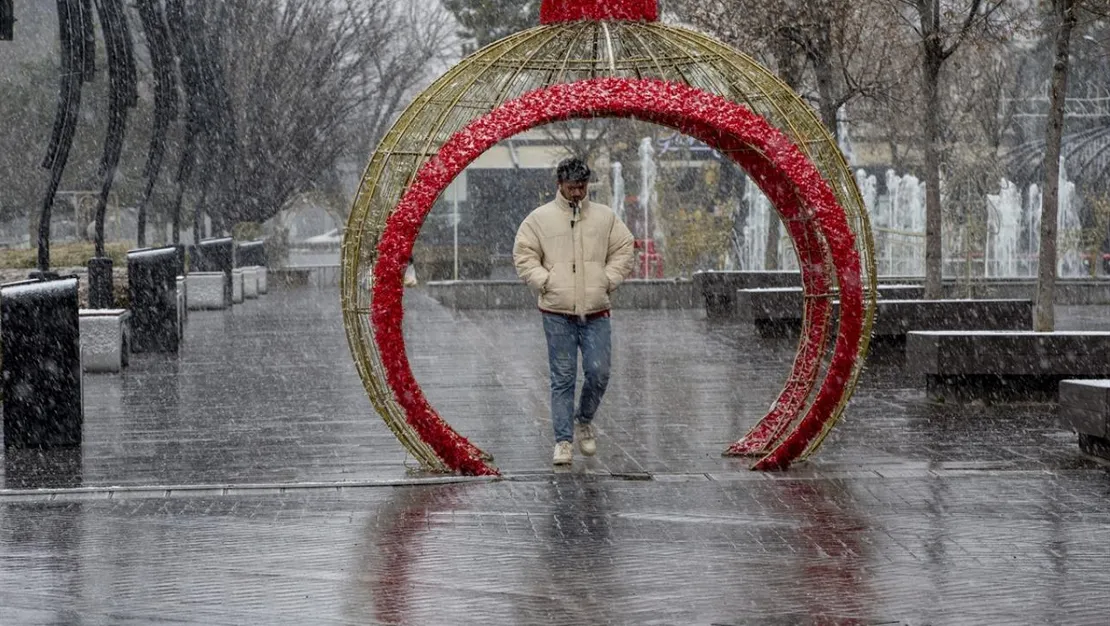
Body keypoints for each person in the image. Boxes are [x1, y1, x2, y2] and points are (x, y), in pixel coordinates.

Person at [513, 157, 635, 465]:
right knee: (563, 377)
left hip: (596, 311)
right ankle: (563, 441)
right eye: (571, 187)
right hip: (557, 312)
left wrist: (607, 279)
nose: (577, 192)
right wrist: (545, 281)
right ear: (560, 185)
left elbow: (624, 248)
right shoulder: (540, 219)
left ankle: (584, 419)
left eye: (581, 186)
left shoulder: (605, 217)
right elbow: (524, 253)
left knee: (599, 373)